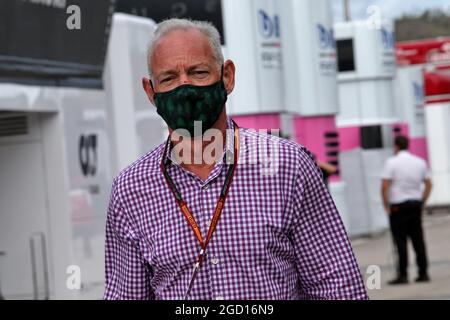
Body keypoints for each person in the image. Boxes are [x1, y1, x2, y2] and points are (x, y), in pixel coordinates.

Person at [103, 18, 368, 300]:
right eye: (168, 78)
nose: (185, 87)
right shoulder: (130, 190)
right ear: (151, 92)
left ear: (227, 76)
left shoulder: (289, 167)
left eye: (198, 72)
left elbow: (337, 285)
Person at [381, 135, 432, 285]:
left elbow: (385, 185)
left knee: (400, 242)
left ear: (396, 146)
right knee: (418, 241)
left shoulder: (391, 162)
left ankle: (402, 274)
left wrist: (386, 205)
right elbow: (428, 184)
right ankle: (423, 272)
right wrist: (422, 201)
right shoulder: (420, 162)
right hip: (415, 205)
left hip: (398, 207)